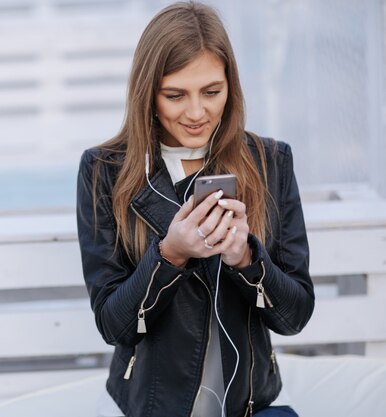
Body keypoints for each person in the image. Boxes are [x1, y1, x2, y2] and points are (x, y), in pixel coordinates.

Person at [76, 2, 315, 417]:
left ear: (230, 87)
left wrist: (245, 258)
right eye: (175, 95)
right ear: (147, 93)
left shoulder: (270, 161)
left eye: (211, 92)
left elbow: (294, 317)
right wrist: (170, 255)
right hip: (151, 407)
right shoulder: (104, 171)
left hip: (253, 405)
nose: (196, 113)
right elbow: (113, 326)